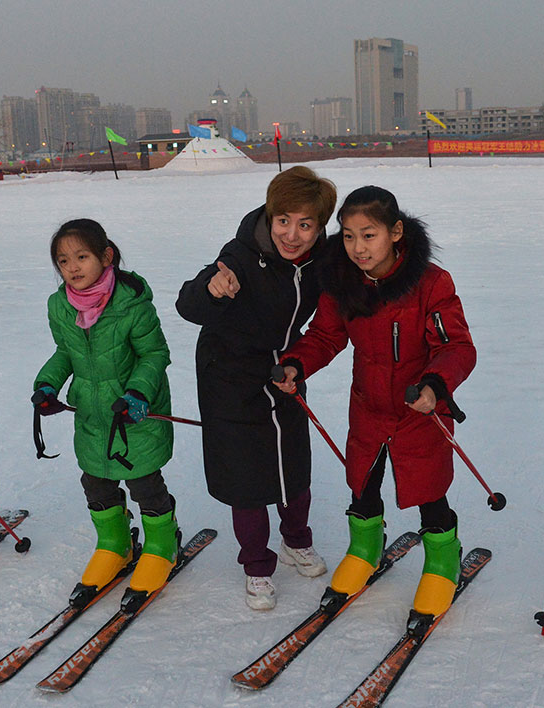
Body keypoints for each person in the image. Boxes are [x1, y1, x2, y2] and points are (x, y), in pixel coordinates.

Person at [274, 185, 476, 618]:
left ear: (396, 231)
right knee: (362, 484)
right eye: (348, 236)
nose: (357, 247)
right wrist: (296, 364)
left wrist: (436, 385)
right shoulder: (343, 282)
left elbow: (456, 346)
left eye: (369, 235)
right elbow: (326, 335)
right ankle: (366, 548)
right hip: (368, 404)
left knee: (429, 490)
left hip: (419, 407)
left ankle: (443, 560)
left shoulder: (430, 283)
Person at [176, 166, 337, 610]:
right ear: (270, 216)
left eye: (305, 224)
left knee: (293, 463)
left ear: (320, 227)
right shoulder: (241, 254)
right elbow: (186, 304)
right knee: (245, 476)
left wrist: (295, 363)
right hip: (228, 376)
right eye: (283, 220)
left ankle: (296, 541)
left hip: (283, 371)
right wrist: (211, 288)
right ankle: (256, 565)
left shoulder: (322, 260)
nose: (292, 234)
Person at [33, 218, 178, 607]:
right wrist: (47, 384)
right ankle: (115, 544)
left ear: (105, 256)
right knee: (95, 481)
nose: (73, 267)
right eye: (64, 261)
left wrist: (137, 393)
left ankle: (163, 543)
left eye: (82, 257)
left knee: (144, 482)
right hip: (94, 414)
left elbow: (155, 353)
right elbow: (66, 351)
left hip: (134, 411)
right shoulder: (60, 305)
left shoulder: (131, 302)